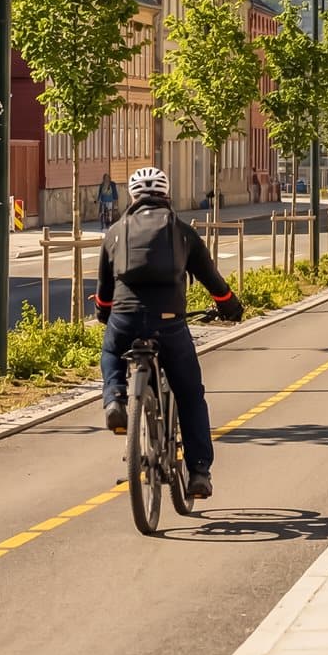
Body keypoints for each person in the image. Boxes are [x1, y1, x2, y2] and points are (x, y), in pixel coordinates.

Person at [95, 166, 243, 501]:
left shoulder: (116, 232)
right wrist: (230, 306)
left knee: (110, 353)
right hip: (169, 322)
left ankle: (115, 398)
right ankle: (200, 473)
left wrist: (106, 314)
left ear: (132, 196)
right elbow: (211, 279)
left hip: (125, 317)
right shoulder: (182, 231)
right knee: (190, 394)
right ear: (166, 195)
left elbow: (105, 290)